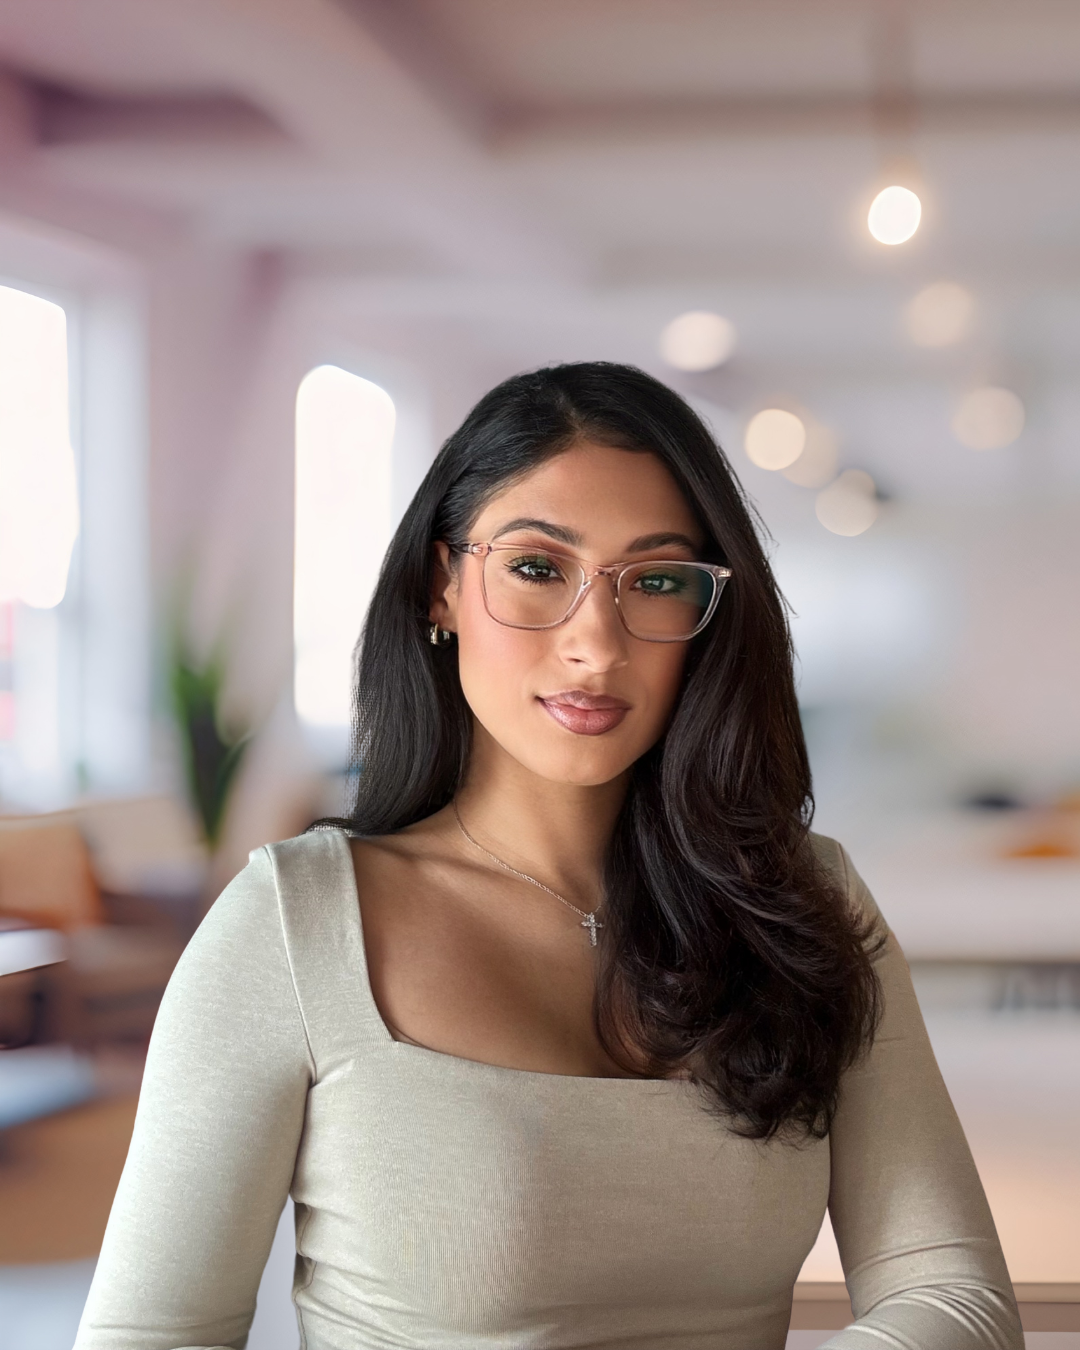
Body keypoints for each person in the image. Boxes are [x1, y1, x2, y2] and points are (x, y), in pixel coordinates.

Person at [75, 363, 1021, 1350]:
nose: (596, 645)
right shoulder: (295, 925)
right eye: (538, 568)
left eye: (655, 580)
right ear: (443, 585)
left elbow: (952, 1290)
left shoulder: (803, 902)